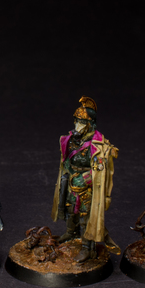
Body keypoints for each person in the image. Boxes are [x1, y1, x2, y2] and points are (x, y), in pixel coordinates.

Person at [51, 97, 120, 262]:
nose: (77, 126)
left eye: (82, 122)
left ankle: (87, 247)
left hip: (87, 187)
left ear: (90, 124)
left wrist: (85, 178)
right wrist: (68, 173)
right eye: (76, 121)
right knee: (69, 209)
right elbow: (66, 161)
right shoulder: (70, 140)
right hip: (70, 180)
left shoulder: (98, 145)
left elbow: (102, 171)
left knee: (86, 217)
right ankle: (71, 233)